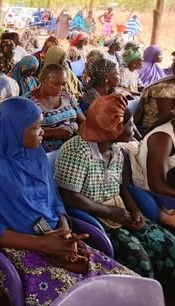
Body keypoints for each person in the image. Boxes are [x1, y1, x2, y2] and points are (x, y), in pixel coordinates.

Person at [0, 97, 133, 306]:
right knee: (71, 297)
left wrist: (65, 232)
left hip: (54, 236)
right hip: (12, 247)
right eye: (36, 128)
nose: (43, 132)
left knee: (121, 287)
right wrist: (41, 243)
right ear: (14, 130)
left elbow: (53, 201)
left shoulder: (36, 153)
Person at [55, 94, 175, 283]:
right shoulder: (77, 150)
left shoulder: (117, 149)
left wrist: (135, 210)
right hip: (93, 216)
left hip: (119, 211)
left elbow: (119, 186)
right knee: (140, 259)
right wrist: (109, 211)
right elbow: (69, 195)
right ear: (114, 126)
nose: (134, 129)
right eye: (130, 124)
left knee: (168, 245)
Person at [26, 64, 86, 151]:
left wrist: (79, 133)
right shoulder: (29, 102)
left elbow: (83, 120)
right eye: (55, 84)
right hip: (45, 151)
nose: (60, 88)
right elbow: (25, 133)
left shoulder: (66, 96)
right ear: (43, 80)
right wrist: (53, 132)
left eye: (63, 84)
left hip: (72, 148)